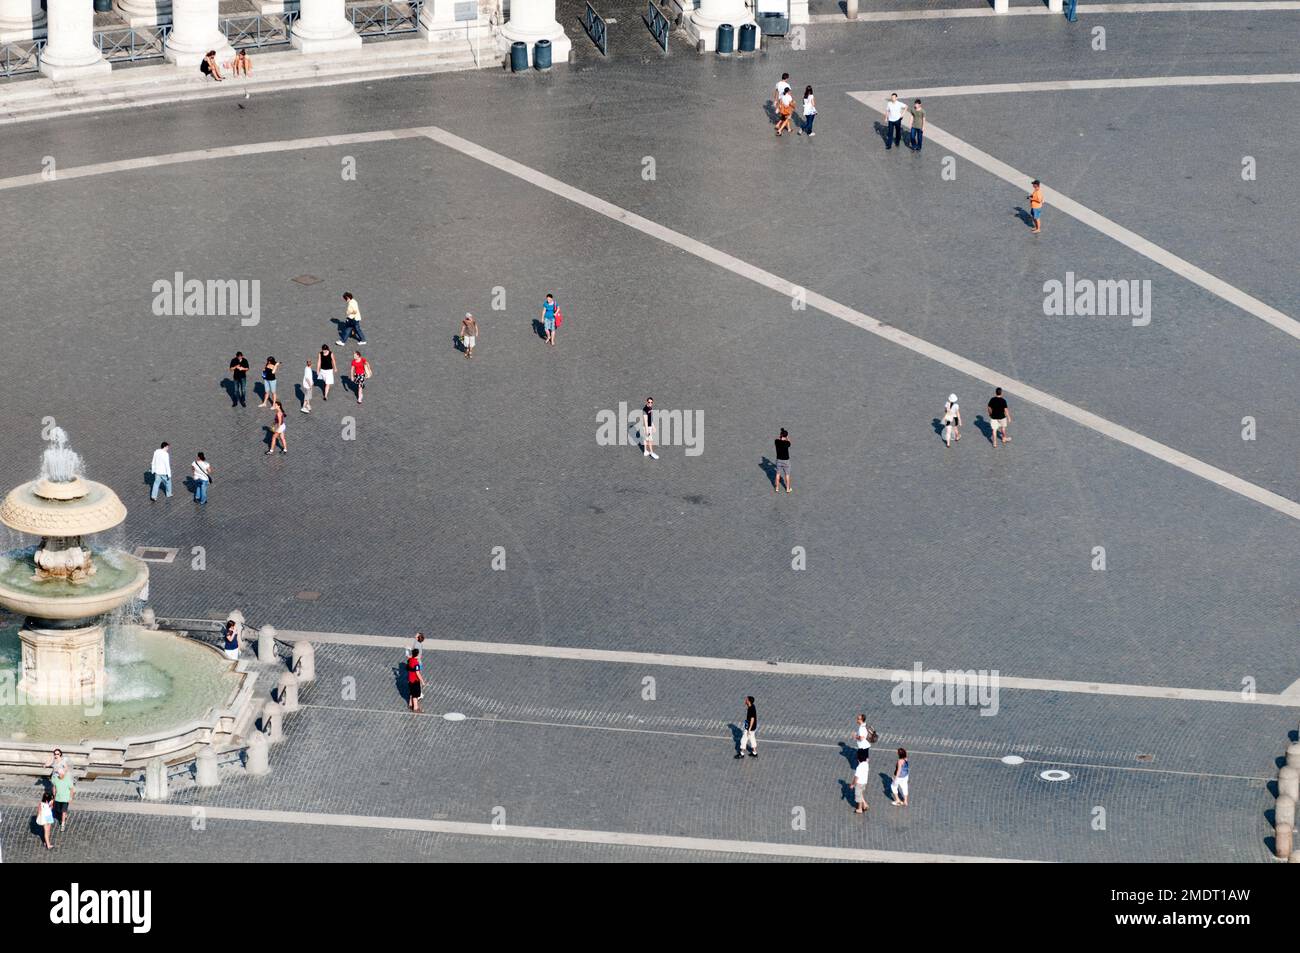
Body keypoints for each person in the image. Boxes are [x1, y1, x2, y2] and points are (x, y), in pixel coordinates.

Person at [50, 765, 74, 830]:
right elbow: (54, 786)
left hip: (65, 799)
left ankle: (63, 824)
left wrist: (71, 798)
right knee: (58, 810)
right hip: (58, 798)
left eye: (60, 774)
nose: (59, 775)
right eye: (58, 774)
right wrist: (54, 795)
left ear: (63, 774)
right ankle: (65, 814)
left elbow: (72, 789)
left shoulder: (67, 779)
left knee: (63, 811)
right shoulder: (56, 779)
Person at [852, 749, 871, 814]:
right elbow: (867, 760)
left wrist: (852, 784)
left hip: (859, 783)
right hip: (864, 782)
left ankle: (859, 809)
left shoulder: (859, 767)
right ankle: (865, 805)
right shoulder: (866, 764)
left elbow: (856, 777)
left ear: (858, 759)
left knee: (858, 796)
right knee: (860, 793)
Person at [774, 428, 791, 493]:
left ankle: (777, 488)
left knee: (778, 474)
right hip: (786, 461)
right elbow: (789, 442)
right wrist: (786, 438)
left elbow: (778, 438)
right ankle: (787, 489)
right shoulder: (787, 443)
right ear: (786, 436)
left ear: (781, 435)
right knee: (787, 475)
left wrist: (781, 435)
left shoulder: (776, 441)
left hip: (779, 460)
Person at [407, 647, 424, 713]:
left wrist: (407, 649)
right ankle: (415, 708)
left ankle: (410, 704)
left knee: (411, 692)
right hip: (415, 680)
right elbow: (417, 673)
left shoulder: (410, 660)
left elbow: (408, 656)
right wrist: (422, 681)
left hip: (410, 679)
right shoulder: (416, 664)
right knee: (415, 695)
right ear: (417, 655)